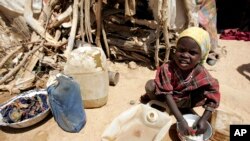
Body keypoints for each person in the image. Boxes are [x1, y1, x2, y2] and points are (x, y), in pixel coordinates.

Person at [140, 27, 220, 136]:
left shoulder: (201, 72)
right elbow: (167, 94)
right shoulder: (167, 68)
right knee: (151, 85)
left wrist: (204, 119)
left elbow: (213, 93)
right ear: (175, 50)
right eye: (181, 50)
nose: (185, 55)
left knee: (205, 90)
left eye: (192, 53)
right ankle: (170, 109)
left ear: (201, 56)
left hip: (186, 100)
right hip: (167, 98)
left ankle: (184, 111)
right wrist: (180, 120)